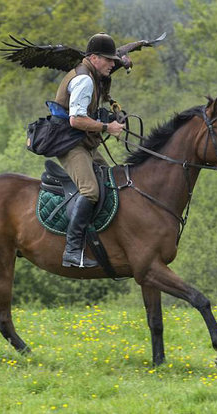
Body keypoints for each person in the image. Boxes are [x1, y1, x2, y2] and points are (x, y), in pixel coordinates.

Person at [54, 32, 124, 268]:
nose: (113, 64)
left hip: (84, 143)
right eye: (108, 59)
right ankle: (72, 250)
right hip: (70, 144)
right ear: (94, 58)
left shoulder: (92, 76)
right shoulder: (84, 80)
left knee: (111, 182)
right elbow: (75, 121)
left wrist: (111, 112)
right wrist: (107, 127)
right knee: (91, 190)